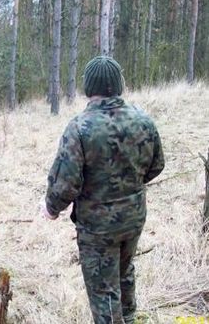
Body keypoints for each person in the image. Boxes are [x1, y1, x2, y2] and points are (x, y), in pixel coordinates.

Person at [42, 56, 165, 324]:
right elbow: (157, 165)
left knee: (103, 289)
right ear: (118, 85)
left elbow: (65, 183)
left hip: (98, 227)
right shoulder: (143, 120)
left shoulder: (80, 127)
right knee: (124, 272)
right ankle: (129, 319)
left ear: (89, 87)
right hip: (133, 217)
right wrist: (130, 183)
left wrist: (51, 208)